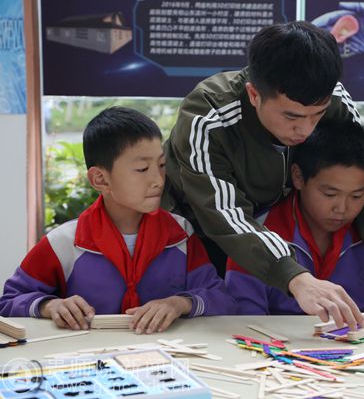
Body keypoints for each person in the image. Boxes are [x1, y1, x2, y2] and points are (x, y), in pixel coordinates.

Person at [162, 20, 364, 328]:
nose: (306, 130)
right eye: (291, 116)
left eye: (318, 114)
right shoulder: (208, 116)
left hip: (271, 237)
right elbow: (223, 214)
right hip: (192, 239)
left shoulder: (334, 99)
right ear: (254, 94)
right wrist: (294, 276)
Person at [0, 107, 236, 333]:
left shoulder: (181, 233)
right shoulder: (62, 243)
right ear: (100, 179)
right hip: (89, 356)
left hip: (164, 356)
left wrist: (180, 303)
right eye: (142, 169)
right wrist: (49, 305)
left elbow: (221, 299)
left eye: (162, 165)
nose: (158, 180)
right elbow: (8, 302)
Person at [225, 121, 364, 314]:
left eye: (357, 196)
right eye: (330, 194)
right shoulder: (256, 235)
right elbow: (245, 320)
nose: (342, 208)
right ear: (298, 177)